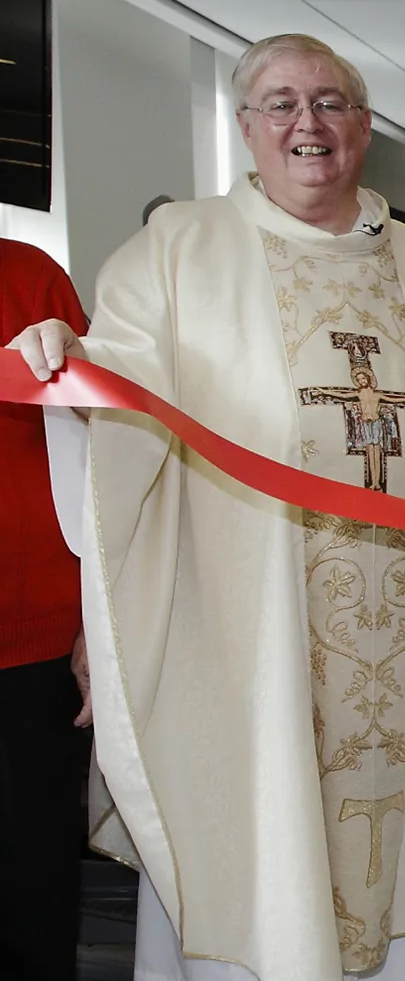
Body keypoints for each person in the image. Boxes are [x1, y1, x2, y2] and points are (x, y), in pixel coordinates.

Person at [7, 34, 405, 981]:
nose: (308, 124)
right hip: (255, 632)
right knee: (267, 845)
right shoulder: (176, 249)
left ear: (365, 125)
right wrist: (69, 363)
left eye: (331, 103)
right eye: (281, 104)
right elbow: (124, 391)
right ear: (245, 125)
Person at [0, 237, 89, 981]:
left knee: (34, 893)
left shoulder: (29, 276)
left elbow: (102, 461)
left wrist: (97, 627)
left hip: (33, 643)